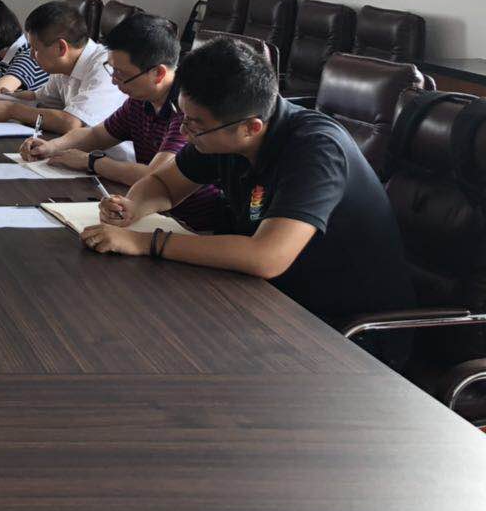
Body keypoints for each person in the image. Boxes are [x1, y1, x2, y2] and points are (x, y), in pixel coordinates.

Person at [80, 37, 416, 334]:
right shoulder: (222, 131)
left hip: (346, 330)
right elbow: (164, 186)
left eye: (195, 125)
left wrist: (145, 242)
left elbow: (266, 256)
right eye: (183, 117)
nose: (184, 132)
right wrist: (133, 206)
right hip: (267, 299)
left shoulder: (317, 149)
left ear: (250, 128)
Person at [17, 13, 228, 232]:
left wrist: (92, 162)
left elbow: (155, 176)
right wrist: (51, 147)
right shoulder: (140, 100)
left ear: (158, 73)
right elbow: (98, 135)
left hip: (193, 227)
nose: (113, 80)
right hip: (151, 213)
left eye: (121, 73)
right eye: (111, 69)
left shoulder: (188, 112)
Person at [0, 1, 122, 134]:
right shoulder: (63, 66)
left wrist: (12, 110)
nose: (31, 56)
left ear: (61, 47)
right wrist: (3, 98)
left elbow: (71, 123)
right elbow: (39, 98)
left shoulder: (106, 67)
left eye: (36, 49)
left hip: (110, 155)